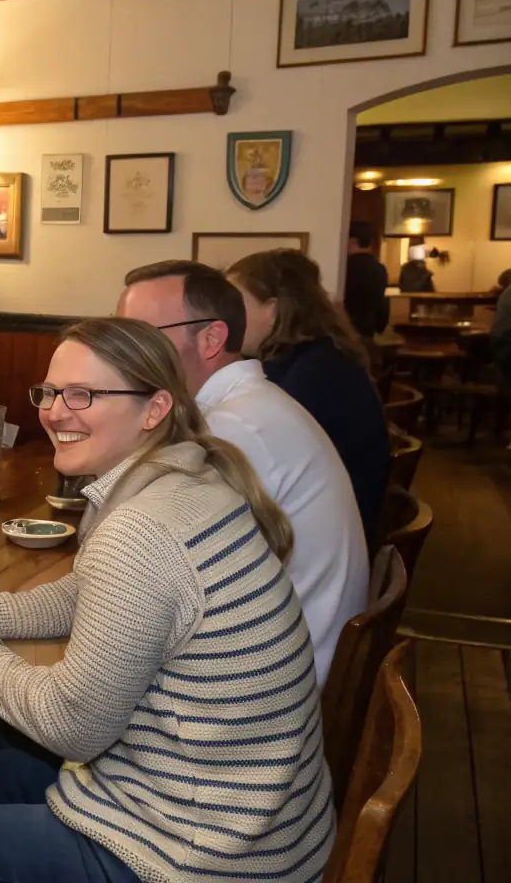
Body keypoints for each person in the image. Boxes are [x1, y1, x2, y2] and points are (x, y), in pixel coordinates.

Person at [0, 318, 334, 883]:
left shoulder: (142, 531)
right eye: (50, 392)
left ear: (154, 410)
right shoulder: (191, 479)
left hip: (195, 855)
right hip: (245, 819)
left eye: (84, 394)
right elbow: (84, 594)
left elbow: (73, 724)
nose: (56, 411)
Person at [118, 260, 368, 681]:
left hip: (279, 685)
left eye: (143, 335)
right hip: (293, 650)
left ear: (211, 338)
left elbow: (155, 577)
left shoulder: (235, 426)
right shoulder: (250, 402)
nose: (125, 353)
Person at [228, 249, 390, 542]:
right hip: (342, 527)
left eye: (235, 305)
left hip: (327, 539)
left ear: (273, 310)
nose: (226, 319)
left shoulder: (312, 375)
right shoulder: (316, 357)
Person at [343, 220, 390, 338]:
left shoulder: (344, 267)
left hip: (345, 328)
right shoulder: (380, 268)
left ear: (352, 241)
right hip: (368, 330)